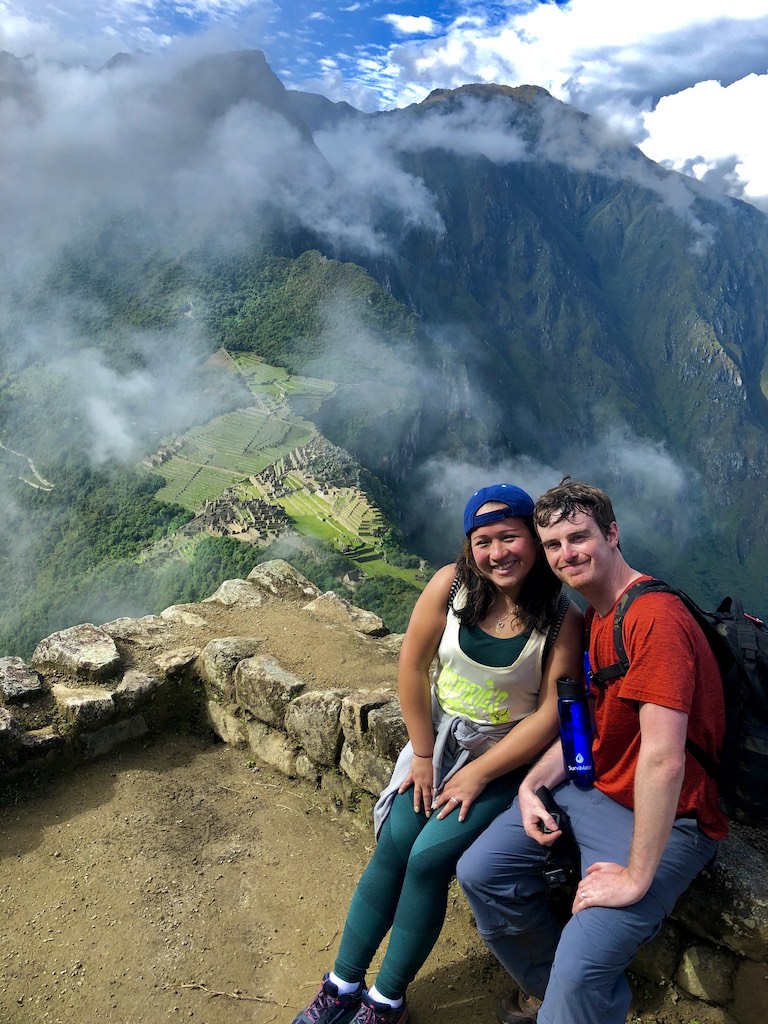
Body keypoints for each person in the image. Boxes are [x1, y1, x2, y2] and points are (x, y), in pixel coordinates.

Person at [290, 483, 583, 1024]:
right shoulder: (451, 586)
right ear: (468, 546)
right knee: (397, 841)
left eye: (510, 537)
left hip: (506, 758)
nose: (498, 553)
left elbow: (548, 717)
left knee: (427, 859)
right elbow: (411, 665)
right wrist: (423, 756)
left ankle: (387, 1000)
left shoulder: (563, 619)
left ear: (534, 541)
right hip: (440, 745)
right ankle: (341, 983)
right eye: (484, 540)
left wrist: (479, 776)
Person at [457, 478, 727, 1024]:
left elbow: (664, 758)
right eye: (553, 545)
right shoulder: (599, 613)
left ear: (612, 534)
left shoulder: (653, 620)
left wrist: (634, 877)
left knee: (582, 965)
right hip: (595, 787)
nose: (565, 554)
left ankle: (573, 995)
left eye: (578, 537)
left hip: (670, 818)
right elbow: (590, 727)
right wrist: (533, 786)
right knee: (482, 872)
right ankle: (564, 996)